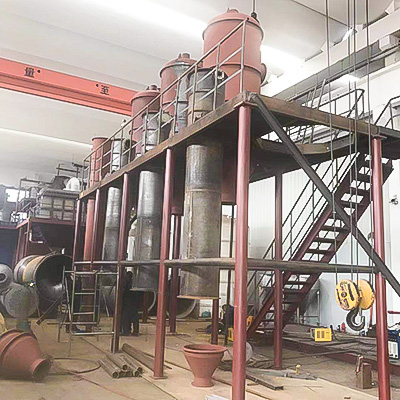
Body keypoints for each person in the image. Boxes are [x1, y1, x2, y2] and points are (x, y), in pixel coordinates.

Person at [121, 271, 140, 336]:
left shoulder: (127, 283)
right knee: (134, 318)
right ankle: (135, 331)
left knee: (126, 317)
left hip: (128, 303)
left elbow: (125, 292)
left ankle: (126, 331)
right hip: (134, 303)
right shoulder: (134, 283)